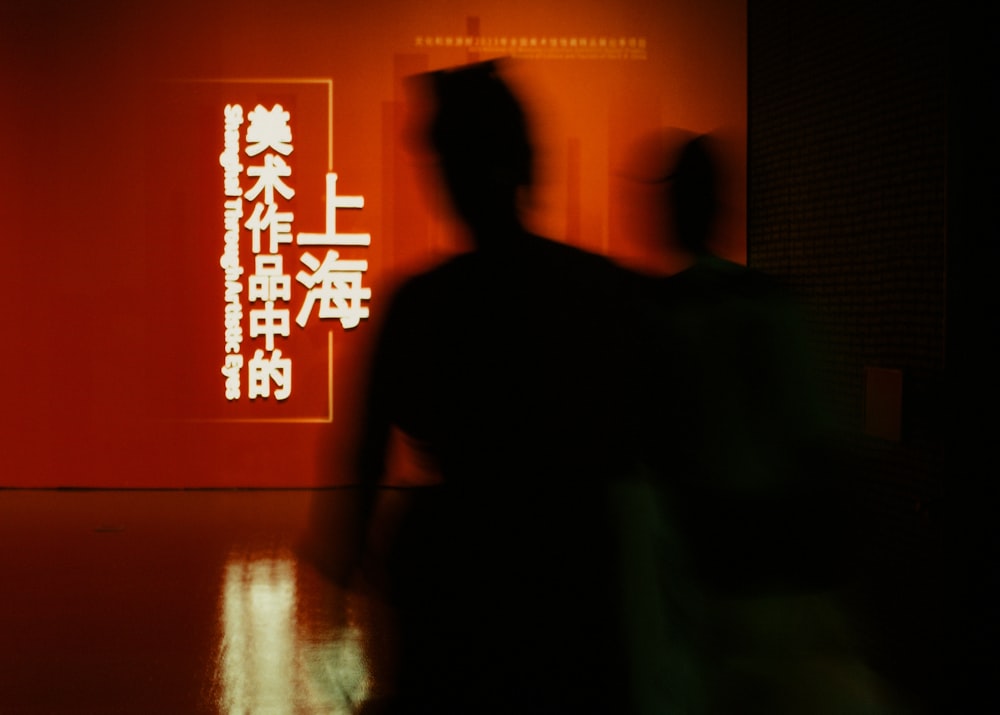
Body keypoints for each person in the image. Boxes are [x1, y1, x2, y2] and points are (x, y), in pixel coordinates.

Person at [351, 60, 639, 714]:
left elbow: (366, 452)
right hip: (575, 571)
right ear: (528, 161)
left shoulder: (421, 303)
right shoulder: (604, 290)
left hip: (455, 579)